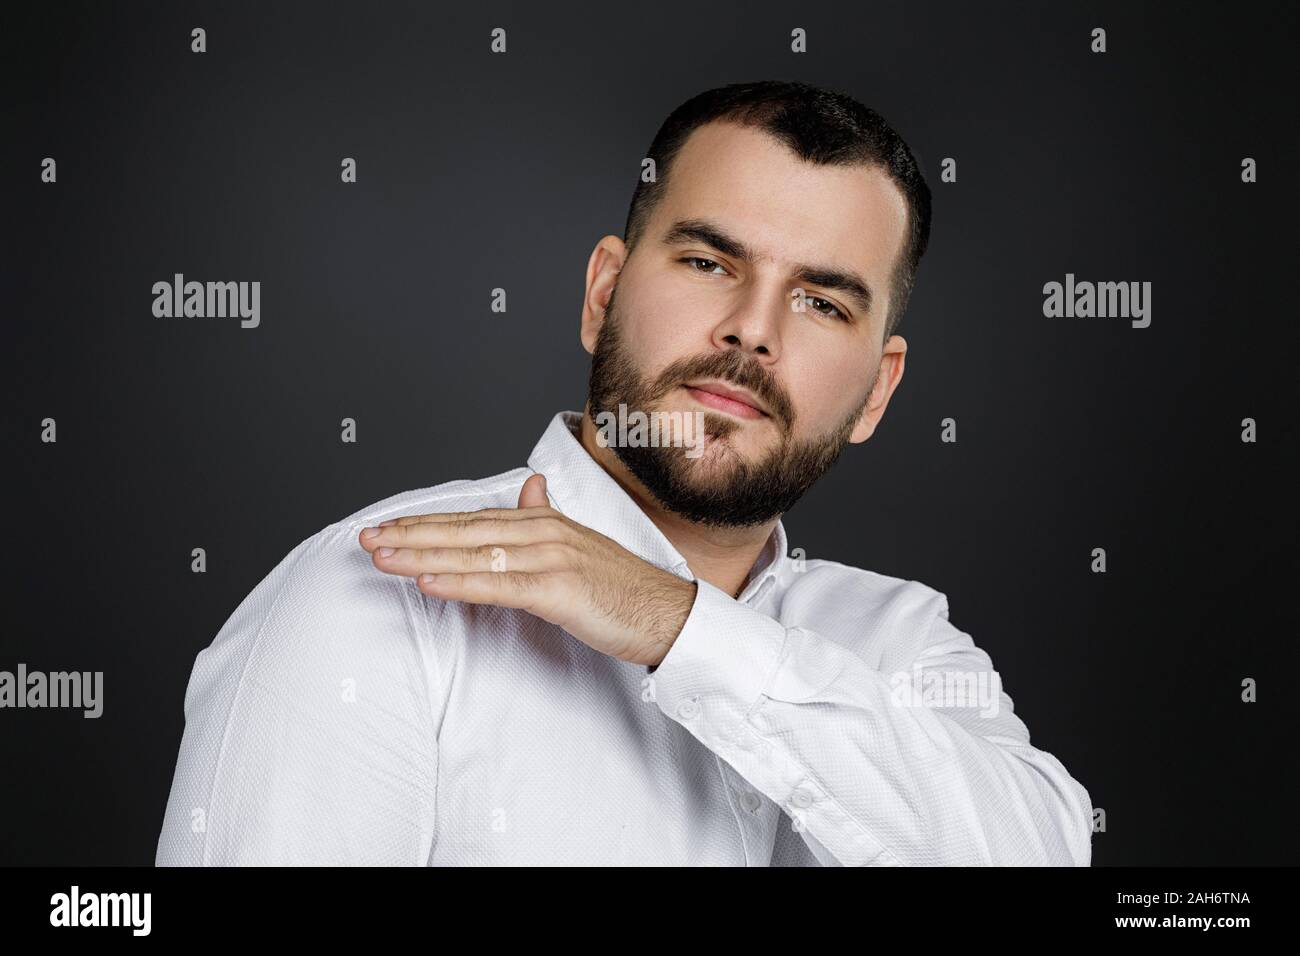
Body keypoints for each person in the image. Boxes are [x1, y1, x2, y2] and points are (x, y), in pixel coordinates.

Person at [156, 80, 1093, 866]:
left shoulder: (898, 641)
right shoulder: (380, 596)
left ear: (878, 391)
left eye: (820, 302)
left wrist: (674, 623)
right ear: (603, 296)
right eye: (706, 260)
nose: (753, 330)